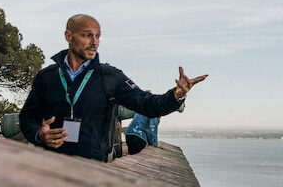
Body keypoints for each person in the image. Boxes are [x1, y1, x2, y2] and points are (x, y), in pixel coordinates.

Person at [19, 14, 206, 161]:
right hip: (48, 163)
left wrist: (176, 96)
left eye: (97, 36)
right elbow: (28, 117)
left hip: (91, 168)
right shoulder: (47, 76)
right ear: (69, 36)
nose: (94, 42)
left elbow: (147, 104)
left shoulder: (110, 77)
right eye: (87, 35)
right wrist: (38, 134)